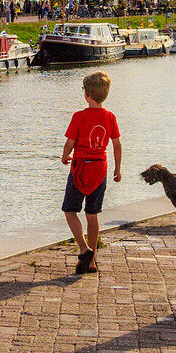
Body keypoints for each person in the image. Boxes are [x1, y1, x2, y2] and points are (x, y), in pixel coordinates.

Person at [61, 71, 123, 275]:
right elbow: (116, 145)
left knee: (70, 210)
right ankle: (92, 260)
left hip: (80, 168)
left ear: (86, 94)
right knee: (92, 214)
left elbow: (70, 142)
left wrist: (64, 156)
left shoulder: (79, 116)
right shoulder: (110, 117)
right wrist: (117, 169)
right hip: (100, 168)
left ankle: (83, 248)